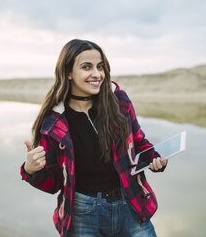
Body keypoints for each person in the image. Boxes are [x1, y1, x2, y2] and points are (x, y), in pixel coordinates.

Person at [20, 39, 168, 237]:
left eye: (100, 67)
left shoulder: (120, 103)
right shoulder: (53, 123)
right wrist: (31, 170)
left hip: (130, 204)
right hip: (83, 214)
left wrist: (154, 159)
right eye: (86, 67)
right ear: (68, 73)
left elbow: (140, 143)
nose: (97, 74)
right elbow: (54, 184)